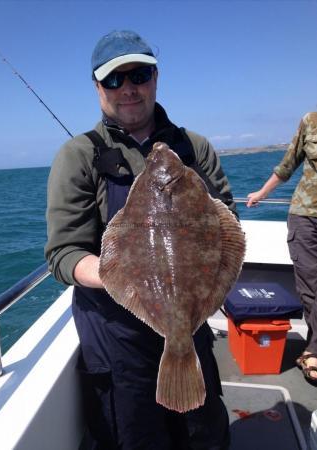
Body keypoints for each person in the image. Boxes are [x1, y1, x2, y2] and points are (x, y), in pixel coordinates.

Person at [45, 30, 236, 450]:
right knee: (134, 438)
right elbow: (63, 254)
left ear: (156, 78)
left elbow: (227, 225)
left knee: (203, 435)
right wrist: (120, 274)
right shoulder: (78, 156)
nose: (128, 88)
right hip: (117, 339)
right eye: (114, 79)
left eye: (139, 75)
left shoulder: (195, 148)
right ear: (97, 87)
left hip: (192, 322)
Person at [247, 112, 317, 385]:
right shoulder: (310, 121)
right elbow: (288, 164)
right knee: (311, 283)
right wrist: (262, 194)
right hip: (305, 215)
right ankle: (313, 350)